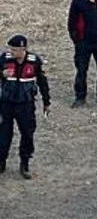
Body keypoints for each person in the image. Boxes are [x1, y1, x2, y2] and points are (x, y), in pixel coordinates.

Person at [0, 35, 51, 179]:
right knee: (3, 135)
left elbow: (42, 82)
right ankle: (1, 161)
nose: (11, 52)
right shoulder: (4, 59)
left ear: (24, 49)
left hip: (25, 105)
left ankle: (25, 162)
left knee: (27, 134)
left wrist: (46, 102)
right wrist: (1, 74)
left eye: (15, 49)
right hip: (6, 104)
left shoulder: (34, 62)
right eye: (10, 48)